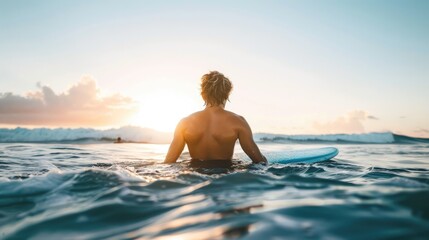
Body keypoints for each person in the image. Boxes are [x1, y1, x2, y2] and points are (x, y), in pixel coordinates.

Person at [164, 71, 267, 167]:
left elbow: (169, 162)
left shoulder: (184, 123)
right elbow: (259, 161)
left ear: (203, 94)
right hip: (225, 172)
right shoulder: (238, 122)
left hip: (195, 172)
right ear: (227, 94)